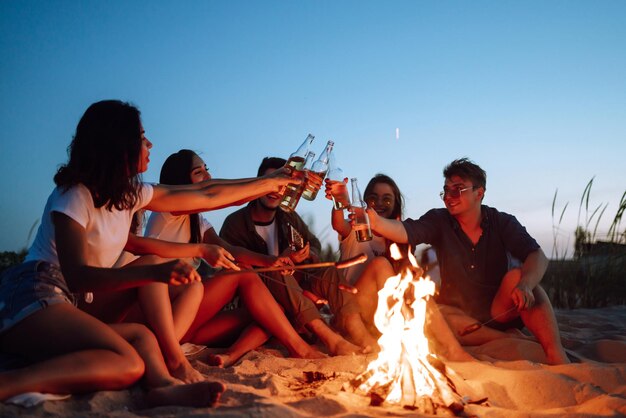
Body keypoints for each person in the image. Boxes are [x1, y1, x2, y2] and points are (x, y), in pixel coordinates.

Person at [0, 100, 299, 404]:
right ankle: (8, 384)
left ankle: (161, 384)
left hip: (77, 302)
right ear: (119, 145)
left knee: (142, 340)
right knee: (134, 338)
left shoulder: (127, 197)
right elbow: (77, 276)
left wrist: (270, 183)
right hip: (34, 294)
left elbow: (207, 194)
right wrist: (154, 272)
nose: (150, 143)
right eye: (142, 137)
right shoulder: (75, 195)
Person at [358, 157, 570, 365]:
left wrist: (526, 284)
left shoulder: (501, 222)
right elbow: (406, 231)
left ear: (479, 193)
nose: (449, 196)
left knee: (519, 277)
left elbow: (537, 256)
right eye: (446, 190)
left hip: (500, 309)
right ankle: (512, 339)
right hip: (460, 315)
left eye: (457, 189)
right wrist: (376, 222)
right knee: (436, 315)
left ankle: (556, 353)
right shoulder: (439, 220)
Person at [142, 149, 325, 367]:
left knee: (271, 313)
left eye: (206, 170)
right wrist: (268, 183)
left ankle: (232, 355)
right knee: (244, 276)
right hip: (161, 311)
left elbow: (229, 250)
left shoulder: (197, 220)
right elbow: (217, 197)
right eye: (199, 173)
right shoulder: (169, 211)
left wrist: (270, 262)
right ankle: (301, 349)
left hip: (187, 319)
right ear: (181, 180)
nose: (208, 178)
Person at [220, 157, 378, 356]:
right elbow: (232, 270)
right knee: (278, 268)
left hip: (296, 291)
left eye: (283, 184)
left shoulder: (288, 217)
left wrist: (308, 254)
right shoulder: (235, 223)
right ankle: (331, 340)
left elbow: (315, 246)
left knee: (328, 274)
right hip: (264, 301)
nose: (276, 190)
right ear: (258, 185)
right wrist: (281, 260)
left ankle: (359, 334)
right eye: (271, 182)